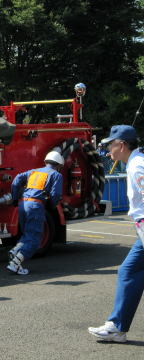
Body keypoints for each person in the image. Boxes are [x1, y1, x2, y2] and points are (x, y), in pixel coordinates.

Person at [88, 125, 143, 343]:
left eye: (111, 144)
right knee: (127, 272)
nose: (109, 149)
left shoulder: (137, 165)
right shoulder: (136, 162)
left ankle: (117, 327)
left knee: (128, 272)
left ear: (122, 145)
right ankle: (117, 327)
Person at [7, 150, 64, 275]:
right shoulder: (56, 175)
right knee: (35, 238)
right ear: (59, 166)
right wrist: (52, 205)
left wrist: (15, 198)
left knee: (27, 233)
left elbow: (17, 180)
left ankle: (15, 251)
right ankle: (15, 262)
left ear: (45, 162)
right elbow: (56, 194)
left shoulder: (33, 171)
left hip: (23, 204)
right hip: (35, 206)